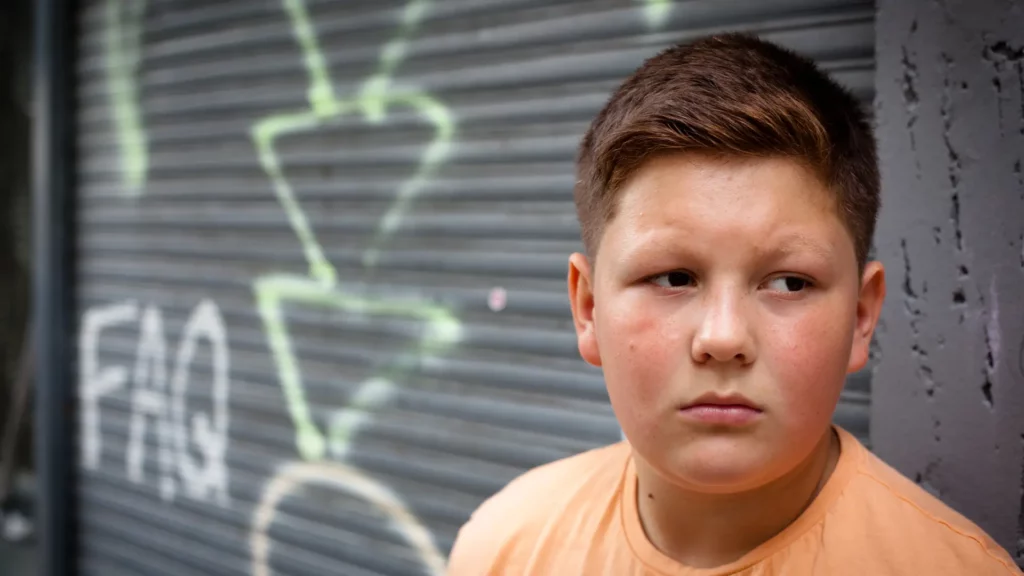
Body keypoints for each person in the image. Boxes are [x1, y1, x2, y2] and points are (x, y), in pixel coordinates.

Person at [446, 33, 1021, 575]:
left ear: (861, 317)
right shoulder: (506, 547)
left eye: (789, 283)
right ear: (589, 308)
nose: (723, 338)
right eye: (673, 277)